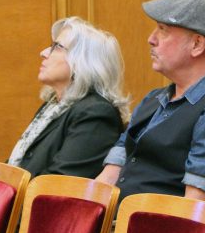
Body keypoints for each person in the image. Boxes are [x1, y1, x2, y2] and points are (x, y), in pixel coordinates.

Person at [96, 0, 205, 213]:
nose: (151, 39)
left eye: (163, 30)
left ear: (197, 44)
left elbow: (194, 213)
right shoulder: (154, 99)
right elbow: (107, 179)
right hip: (117, 229)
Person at [8, 17, 127, 178]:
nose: (43, 53)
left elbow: (60, 182)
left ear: (83, 61)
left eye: (56, 47)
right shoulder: (53, 106)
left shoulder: (96, 113)